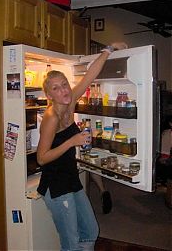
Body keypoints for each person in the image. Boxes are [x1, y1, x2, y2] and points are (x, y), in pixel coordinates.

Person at [37, 42, 127, 251]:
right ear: (49, 96)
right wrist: (72, 142)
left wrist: (109, 49)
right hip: (56, 186)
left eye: (64, 84)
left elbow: (90, 76)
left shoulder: (70, 102)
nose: (63, 90)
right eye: (56, 88)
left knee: (90, 232)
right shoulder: (51, 118)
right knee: (71, 242)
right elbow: (41, 158)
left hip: (70, 179)